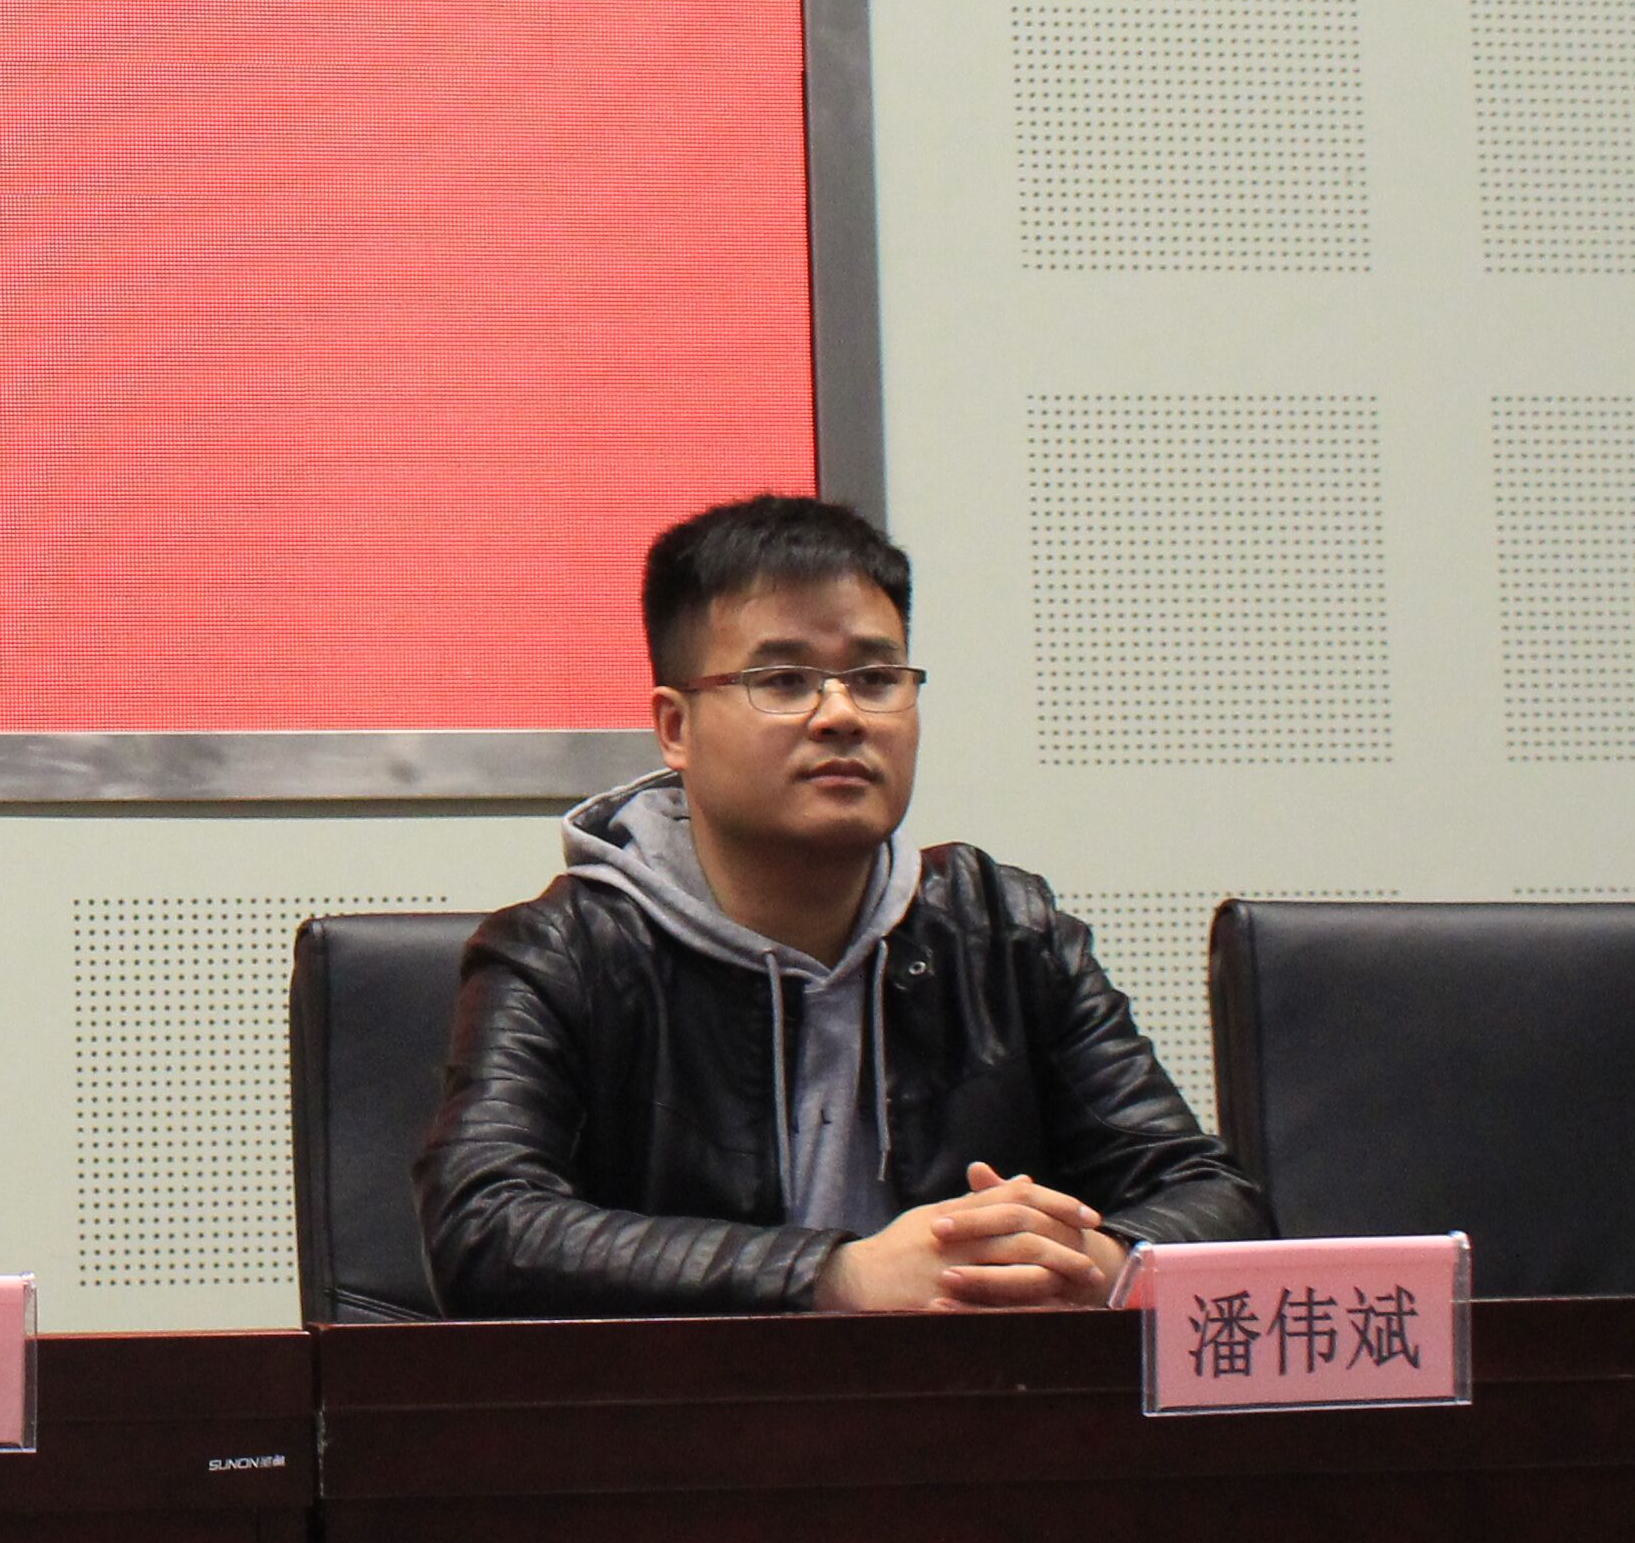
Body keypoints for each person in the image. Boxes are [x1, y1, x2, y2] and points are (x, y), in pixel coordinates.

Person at [416, 493, 1266, 1315]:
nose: (841, 715)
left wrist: (1098, 1263)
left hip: (976, 1404)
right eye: (784, 680)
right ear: (676, 728)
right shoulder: (565, 951)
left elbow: (1215, 1202)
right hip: (684, 1410)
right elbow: (485, 1231)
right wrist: (836, 1277)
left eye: (875, 677)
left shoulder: (1005, 931)